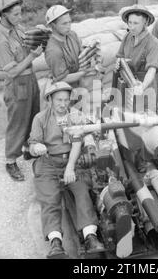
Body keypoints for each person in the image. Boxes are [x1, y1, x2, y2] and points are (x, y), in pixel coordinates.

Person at [28, 81, 104, 258]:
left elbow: (79, 141)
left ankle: (90, 236)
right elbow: (32, 146)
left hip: (73, 161)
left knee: (82, 192)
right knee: (49, 199)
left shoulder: (76, 115)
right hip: (47, 164)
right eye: (58, 100)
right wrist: (36, 147)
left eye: (66, 100)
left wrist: (70, 168)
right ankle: (56, 242)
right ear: (50, 100)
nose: (63, 104)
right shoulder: (40, 119)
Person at [0, 0, 42, 181]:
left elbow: (27, 43)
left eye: (20, 13)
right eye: (15, 14)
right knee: (18, 122)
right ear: (4, 15)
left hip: (30, 79)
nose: (19, 17)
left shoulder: (18, 28)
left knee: (33, 115)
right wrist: (33, 57)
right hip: (17, 83)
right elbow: (11, 73)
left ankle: (29, 149)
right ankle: (11, 161)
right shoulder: (0, 41)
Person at [116, 4, 158, 111]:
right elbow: (120, 56)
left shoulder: (154, 43)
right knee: (126, 117)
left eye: (136, 23)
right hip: (128, 84)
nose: (131, 27)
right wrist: (119, 62)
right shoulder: (128, 36)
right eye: (130, 22)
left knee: (144, 120)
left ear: (145, 23)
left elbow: (152, 70)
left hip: (145, 87)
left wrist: (142, 87)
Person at [44, 5, 91, 89]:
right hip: (63, 91)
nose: (68, 26)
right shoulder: (53, 50)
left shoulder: (72, 35)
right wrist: (85, 72)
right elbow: (62, 79)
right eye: (64, 23)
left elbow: (82, 54)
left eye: (69, 22)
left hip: (78, 85)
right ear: (53, 25)